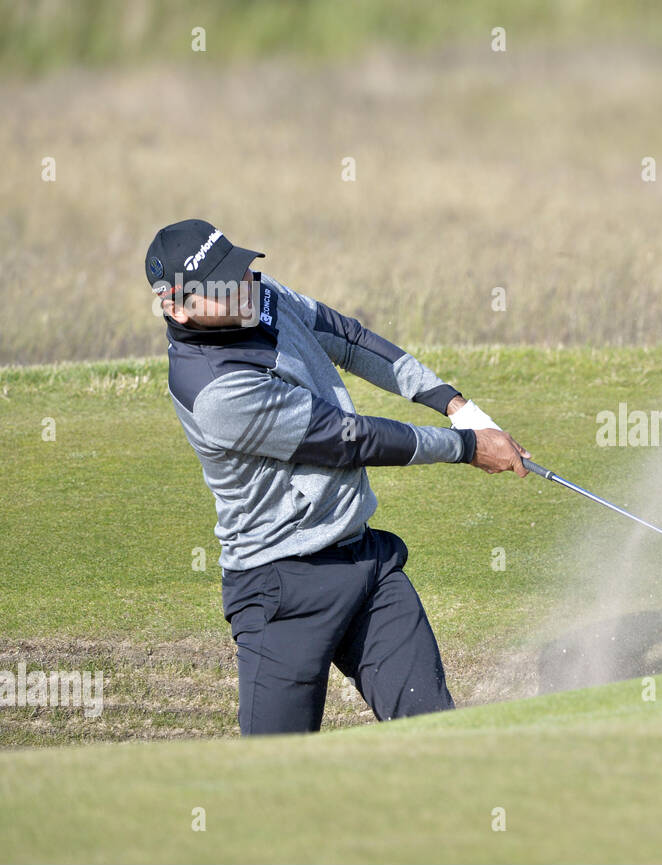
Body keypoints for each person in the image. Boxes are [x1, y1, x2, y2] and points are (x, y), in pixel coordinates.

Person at [145, 218, 529, 735]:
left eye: (236, 271)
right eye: (216, 287)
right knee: (275, 773)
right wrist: (466, 448)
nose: (238, 289)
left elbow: (347, 338)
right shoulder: (215, 391)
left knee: (436, 734)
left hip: (366, 563)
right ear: (175, 306)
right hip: (281, 587)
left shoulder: (260, 297)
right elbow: (347, 439)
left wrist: (458, 407)